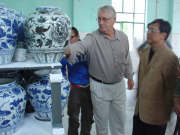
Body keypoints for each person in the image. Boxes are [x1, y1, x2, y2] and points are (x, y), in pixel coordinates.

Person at [65, 5, 134, 135]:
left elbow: (127, 58)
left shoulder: (123, 37)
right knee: (101, 124)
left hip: (119, 86)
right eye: (99, 19)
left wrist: (129, 77)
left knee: (119, 122)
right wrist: (67, 50)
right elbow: (81, 46)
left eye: (105, 19)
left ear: (114, 20)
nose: (101, 22)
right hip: (99, 87)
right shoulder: (93, 37)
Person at [132, 19, 179, 135]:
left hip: (156, 116)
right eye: (148, 30)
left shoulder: (170, 58)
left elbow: (172, 89)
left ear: (163, 35)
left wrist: (169, 111)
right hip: (140, 112)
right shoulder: (145, 53)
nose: (148, 32)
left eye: (152, 30)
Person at [60, 27, 93, 135]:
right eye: (67, 38)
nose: (70, 40)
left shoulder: (86, 48)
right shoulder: (67, 51)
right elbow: (61, 67)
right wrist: (65, 81)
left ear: (78, 37)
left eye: (72, 37)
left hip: (89, 87)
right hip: (74, 88)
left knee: (87, 117)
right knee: (73, 117)